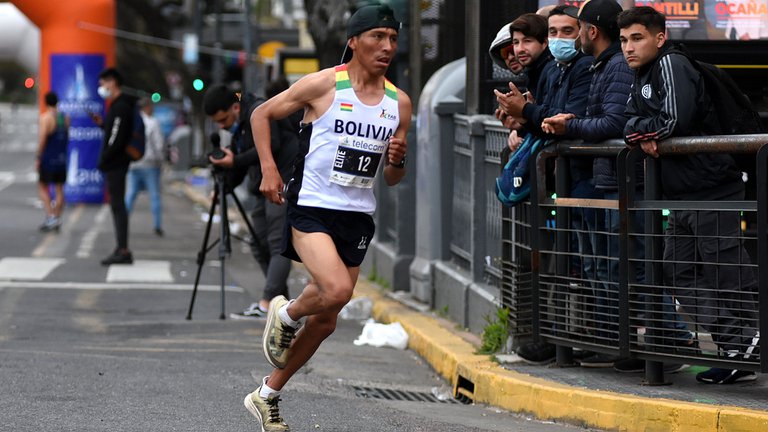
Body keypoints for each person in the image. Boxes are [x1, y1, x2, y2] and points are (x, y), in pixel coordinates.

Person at [243, 5, 411, 430]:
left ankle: (267, 394)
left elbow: (392, 179)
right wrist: (268, 168)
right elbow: (260, 114)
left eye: (392, 38)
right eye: (377, 36)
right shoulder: (324, 85)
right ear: (353, 40)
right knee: (335, 291)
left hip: (357, 215)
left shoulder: (399, 103)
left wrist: (397, 160)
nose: (387, 46)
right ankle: (284, 314)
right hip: (312, 207)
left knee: (328, 319)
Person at [618, 6, 760, 384]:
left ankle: (745, 347)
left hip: (711, 188)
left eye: (637, 38)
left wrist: (645, 132)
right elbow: (628, 121)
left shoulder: (671, 64)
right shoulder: (641, 74)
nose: (628, 48)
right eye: (623, 40)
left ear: (659, 38)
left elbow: (672, 121)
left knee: (727, 271)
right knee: (677, 272)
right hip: (680, 192)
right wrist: (642, 132)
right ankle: (740, 343)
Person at [496, 5, 594, 366]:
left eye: (565, 32)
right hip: (564, 182)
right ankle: (559, 337)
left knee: (592, 263)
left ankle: (588, 339)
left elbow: (563, 118)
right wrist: (521, 118)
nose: (520, 50)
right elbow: (547, 116)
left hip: (584, 180)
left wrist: (525, 116)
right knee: (571, 263)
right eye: (552, 33)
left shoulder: (573, 68)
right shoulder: (552, 71)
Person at [202, 81, 300, 321]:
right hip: (260, 187)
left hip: (282, 181)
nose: (221, 126)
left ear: (235, 108)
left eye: (223, 119)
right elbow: (242, 164)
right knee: (258, 244)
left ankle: (267, 304)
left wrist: (234, 161)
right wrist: (224, 187)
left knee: (278, 244)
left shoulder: (260, 111)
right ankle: (281, 303)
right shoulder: (240, 124)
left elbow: (269, 146)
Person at [92, 68, 134, 265]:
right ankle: (121, 247)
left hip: (116, 164)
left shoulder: (120, 106)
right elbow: (114, 132)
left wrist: (103, 160)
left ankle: (122, 249)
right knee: (117, 206)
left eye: (103, 84)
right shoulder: (118, 106)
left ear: (112, 82)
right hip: (118, 162)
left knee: (118, 206)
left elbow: (115, 140)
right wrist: (103, 124)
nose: (102, 88)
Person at [125, 98, 165, 236]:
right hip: (150, 164)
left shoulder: (131, 122)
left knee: (130, 195)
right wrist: (161, 161)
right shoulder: (153, 123)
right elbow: (158, 144)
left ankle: (123, 223)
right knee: (155, 196)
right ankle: (157, 226)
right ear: (148, 107)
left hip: (133, 164)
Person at [36, 91, 69, 232]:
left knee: (43, 187)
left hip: (49, 158)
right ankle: (57, 217)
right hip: (61, 158)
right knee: (59, 189)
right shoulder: (65, 118)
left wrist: (38, 156)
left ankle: (51, 216)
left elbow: (43, 139)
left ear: (45, 102)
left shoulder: (46, 118)